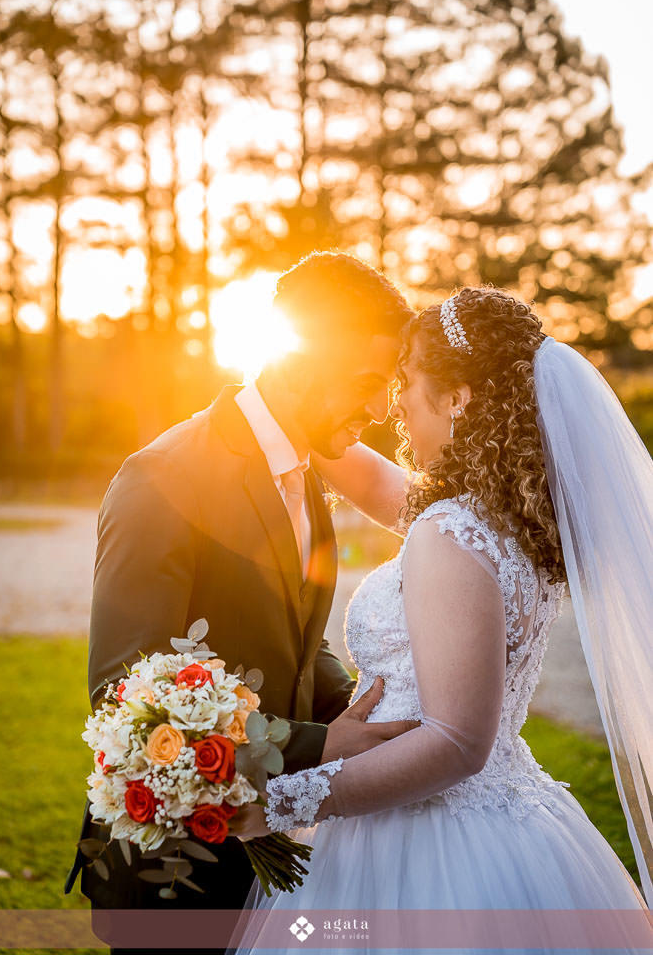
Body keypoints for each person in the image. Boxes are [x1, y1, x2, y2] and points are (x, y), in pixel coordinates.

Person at [227, 286, 652, 955]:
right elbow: (365, 478)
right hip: (509, 825)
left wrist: (280, 803)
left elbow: (455, 743)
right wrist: (286, 392)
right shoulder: (505, 518)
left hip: (424, 836)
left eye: (406, 383)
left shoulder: (450, 532)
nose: (392, 403)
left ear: (456, 398)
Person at [63, 250, 418, 955]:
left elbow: (291, 636)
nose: (379, 409)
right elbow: (124, 696)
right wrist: (319, 745)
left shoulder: (305, 473)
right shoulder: (162, 477)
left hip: (265, 852)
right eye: (366, 382)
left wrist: (352, 709)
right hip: (172, 869)